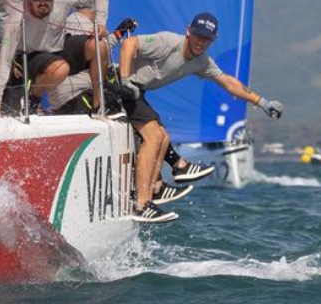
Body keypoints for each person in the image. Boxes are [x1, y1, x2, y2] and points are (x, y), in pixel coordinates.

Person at [118, 12, 285, 223]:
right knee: (153, 137)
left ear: (212, 40)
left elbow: (229, 83)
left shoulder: (202, 61)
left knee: (162, 136)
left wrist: (262, 102)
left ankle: (155, 189)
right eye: (198, 35)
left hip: (138, 93)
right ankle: (142, 205)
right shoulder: (169, 42)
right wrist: (125, 81)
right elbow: (129, 44)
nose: (200, 42)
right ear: (189, 31)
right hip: (120, 85)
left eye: (206, 38)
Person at [1, 0, 110, 115]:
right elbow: (3, 45)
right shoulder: (19, 12)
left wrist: (101, 23)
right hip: (30, 56)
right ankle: (33, 97)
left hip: (56, 49)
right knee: (60, 69)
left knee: (99, 46)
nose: (42, 1)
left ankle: (99, 107)